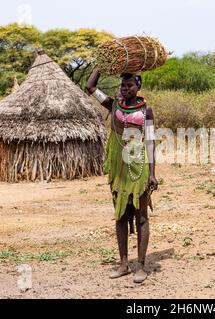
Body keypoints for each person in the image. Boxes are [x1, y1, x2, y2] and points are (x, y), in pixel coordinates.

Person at [86, 70, 158, 283]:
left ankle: (142, 266)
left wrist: (153, 173)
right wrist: (101, 65)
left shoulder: (146, 110)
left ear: (138, 87)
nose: (125, 89)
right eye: (122, 85)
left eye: (129, 85)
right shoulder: (114, 105)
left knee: (141, 213)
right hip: (118, 165)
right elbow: (90, 88)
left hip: (138, 163)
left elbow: (151, 141)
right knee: (120, 214)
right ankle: (124, 263)